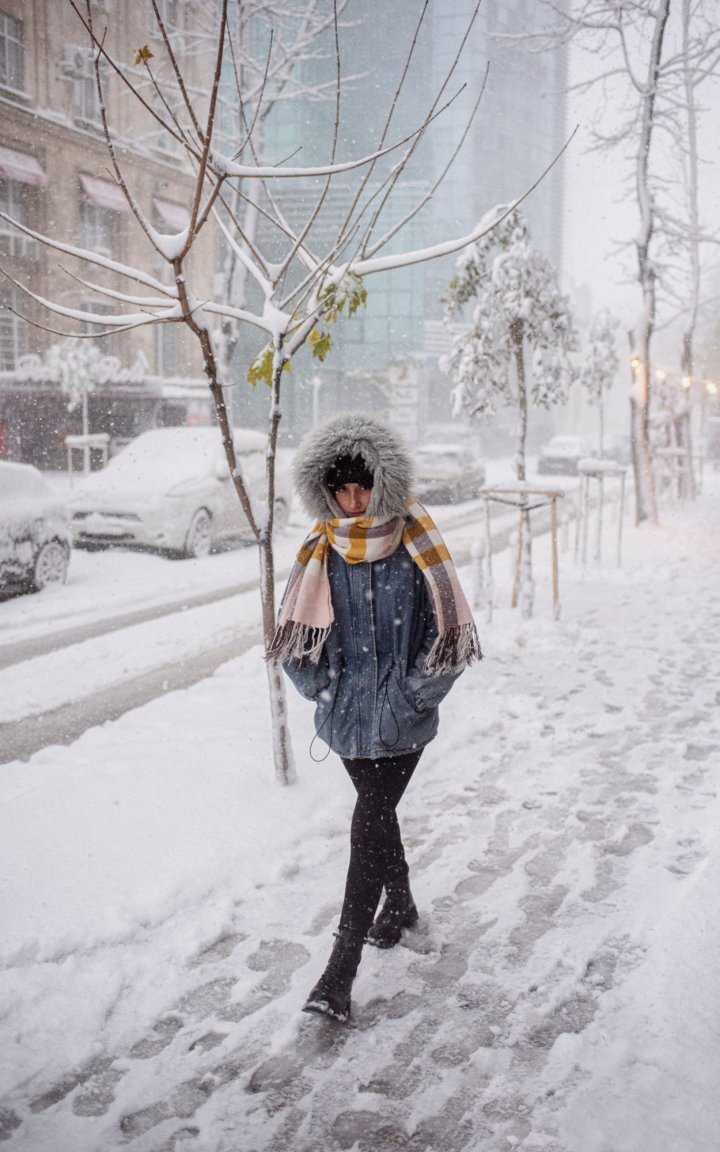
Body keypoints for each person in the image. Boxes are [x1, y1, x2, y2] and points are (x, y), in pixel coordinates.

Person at [268, 413, 480, 1022]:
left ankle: (340, 970)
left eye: (363, 488)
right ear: (327, 491)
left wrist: (413, 696)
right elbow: (293, 634)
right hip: (346, 721)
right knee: (379, 820)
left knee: (369, 821)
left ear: (382, 483)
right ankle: (403, 905)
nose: (354, 501)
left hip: (405, 719)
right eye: (343, 490)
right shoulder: (320, 549)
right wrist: (323, 690)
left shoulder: (416, 541)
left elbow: (452, 634)